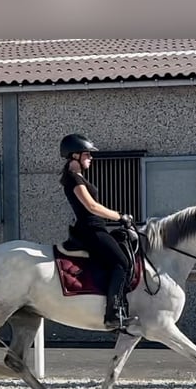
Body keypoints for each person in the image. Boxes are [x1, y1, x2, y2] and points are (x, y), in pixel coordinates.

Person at [59, 133, 135, 329]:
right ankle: (113, 313)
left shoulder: (79, 177)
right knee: (122, 262)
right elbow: (92, 207)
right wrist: (120, 216)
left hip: (96, 226)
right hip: (90, 229)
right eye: (87, 155)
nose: (91, 158)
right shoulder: (74, 179)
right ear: (74, 155)